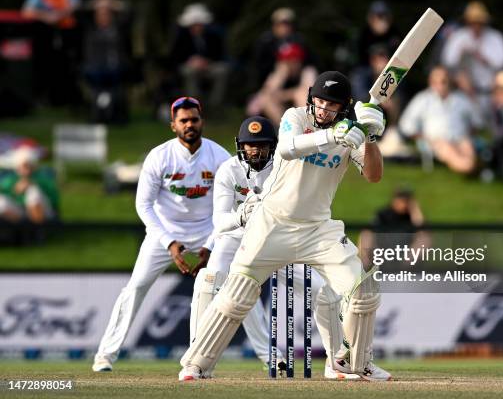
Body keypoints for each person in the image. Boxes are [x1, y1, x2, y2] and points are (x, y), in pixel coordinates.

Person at [179, 71, 391, 381]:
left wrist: (370, 137)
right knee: (237, 292)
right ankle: (196, 364)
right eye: (319, 102)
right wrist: (334, 135)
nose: (323, 111)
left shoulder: (351, 134)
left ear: (344, 107)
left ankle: (352, 363)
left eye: (331, 106)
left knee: (363, 289)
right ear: (310, 99)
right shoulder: (295, 117)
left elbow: (374, 175)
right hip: (272, 223)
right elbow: (289, 147)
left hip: (318, 229)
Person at [191, 116, 351, 379]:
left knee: (323, 291)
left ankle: (337, 363)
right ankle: (195, 362)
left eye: (263, 145)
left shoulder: (287, 164)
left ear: (273, 146)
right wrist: (242, 215)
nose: (256, 150)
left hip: (278, 238)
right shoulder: (228, 170)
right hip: (236, 239)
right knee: (209, 280)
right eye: (250, 145)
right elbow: (219, 223)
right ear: (240, 146)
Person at [92, 97, 230, 372]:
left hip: (209, 229)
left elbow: (230, 204)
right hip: (164, 231)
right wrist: (169, 242)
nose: (189, 124)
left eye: (194, 119)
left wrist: (212, 244)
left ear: (202, 121)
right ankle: (105, 356)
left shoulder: (220, 156)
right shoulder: (159, 156)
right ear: (173, 125)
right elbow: (143, 205)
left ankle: (250, 357)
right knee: (136, 287)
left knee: (233, 289)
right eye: (183, 120)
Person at [399, 66, 480, 174]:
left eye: (443, 81)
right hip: (436, 141)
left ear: (449, 81)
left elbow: (476, 121)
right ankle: (470, 169)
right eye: (436, 82)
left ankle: (472, 167)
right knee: (449, 150)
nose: (440, 85)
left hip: (460, 138)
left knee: (467, 145)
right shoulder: (423, 99)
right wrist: (423, 137)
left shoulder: (460, 99)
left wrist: (469, 134)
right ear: (430, 82)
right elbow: (406, 124)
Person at [441, 1, 503, 110]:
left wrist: (483, 58)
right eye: (473, 22)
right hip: (464, 92)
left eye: (479, 22)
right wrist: (461, 53)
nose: (476, 25)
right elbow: (448, 62)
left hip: (492, 91)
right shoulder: (458, 37)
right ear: (467, 21)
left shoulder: (496, 37)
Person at [169, 4, 229, 107]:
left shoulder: (213, 37)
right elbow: (175, 57)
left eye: (199, 24)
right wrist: (191, 61)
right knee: (189, 72)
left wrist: (206, 61)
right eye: (194, 25)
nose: (197, 27)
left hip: (209, 66)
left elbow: (219, 55)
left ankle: (214, 104)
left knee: (222, 70)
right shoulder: (181, 38)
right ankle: (194, 103)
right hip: (189, 67)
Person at [246, 42, 317, 125]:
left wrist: (288, 94)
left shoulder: (307, 71)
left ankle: (307, 128)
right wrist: (281, 75)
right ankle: (285, 128)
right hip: (282, 108)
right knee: (266, 98)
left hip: (303, 108)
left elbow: (310, 93)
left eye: (292, 60)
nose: (289, 64)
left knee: (301, 95)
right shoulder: (279, 73)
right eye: (285, 61)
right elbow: (267, 92)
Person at [359, 187, 429, 268]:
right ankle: (364, 267)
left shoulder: (412, 216)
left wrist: (414, 208)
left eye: (407, 200)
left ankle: (404, 269)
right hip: (383, 252)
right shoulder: (384, 214)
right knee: (366, 234)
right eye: (401, 199)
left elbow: (422, 229)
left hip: (405, 255)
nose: (403, 203)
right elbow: (370, 230)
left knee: (424, 238)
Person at [251, 8, 313, 88]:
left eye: (287, 24)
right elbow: (259, 66)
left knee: (310, 72)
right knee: (282, 70)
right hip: (274, 77)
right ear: (274, 25)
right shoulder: (265, 41)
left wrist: (297, 64)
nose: (284, 27)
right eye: (281, 24)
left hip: (298, 76)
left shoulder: (299, 40)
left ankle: (311, 97)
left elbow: (310, 61)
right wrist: (280, 65)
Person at [0, 147, 58, 224]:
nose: (25, 169)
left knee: (33, 192)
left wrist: (32, 184)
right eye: (22, 166)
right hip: (21, 213)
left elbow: (54, 197)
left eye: (28, 165)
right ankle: (20, 228)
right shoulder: (10, 180)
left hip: (46, 212)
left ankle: (38, 229)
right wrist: (14, 190)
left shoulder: (43, 177)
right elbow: (4, 192)